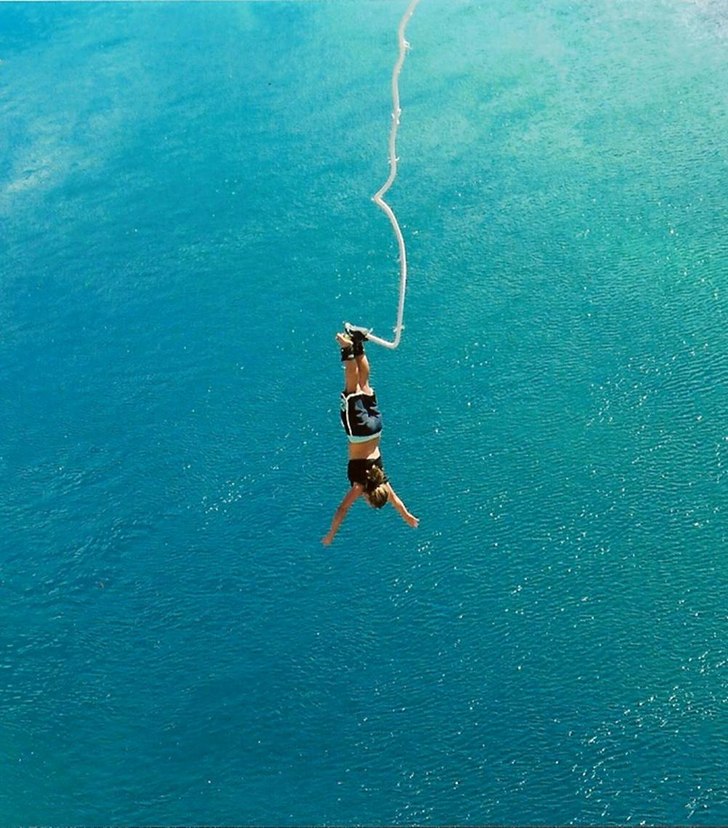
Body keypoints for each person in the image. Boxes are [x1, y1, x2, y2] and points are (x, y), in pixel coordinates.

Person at [322, 324, 419, 545]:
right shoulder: (360, 486)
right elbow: (342, 509)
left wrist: (407, 517)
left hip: (376, 427)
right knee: (351, 388)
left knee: (364, 385)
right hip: (358, 432)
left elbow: (396, 501)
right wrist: (331, 535)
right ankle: (346, 348)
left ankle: (357, 343)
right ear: (368, 496)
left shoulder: (380, 476)